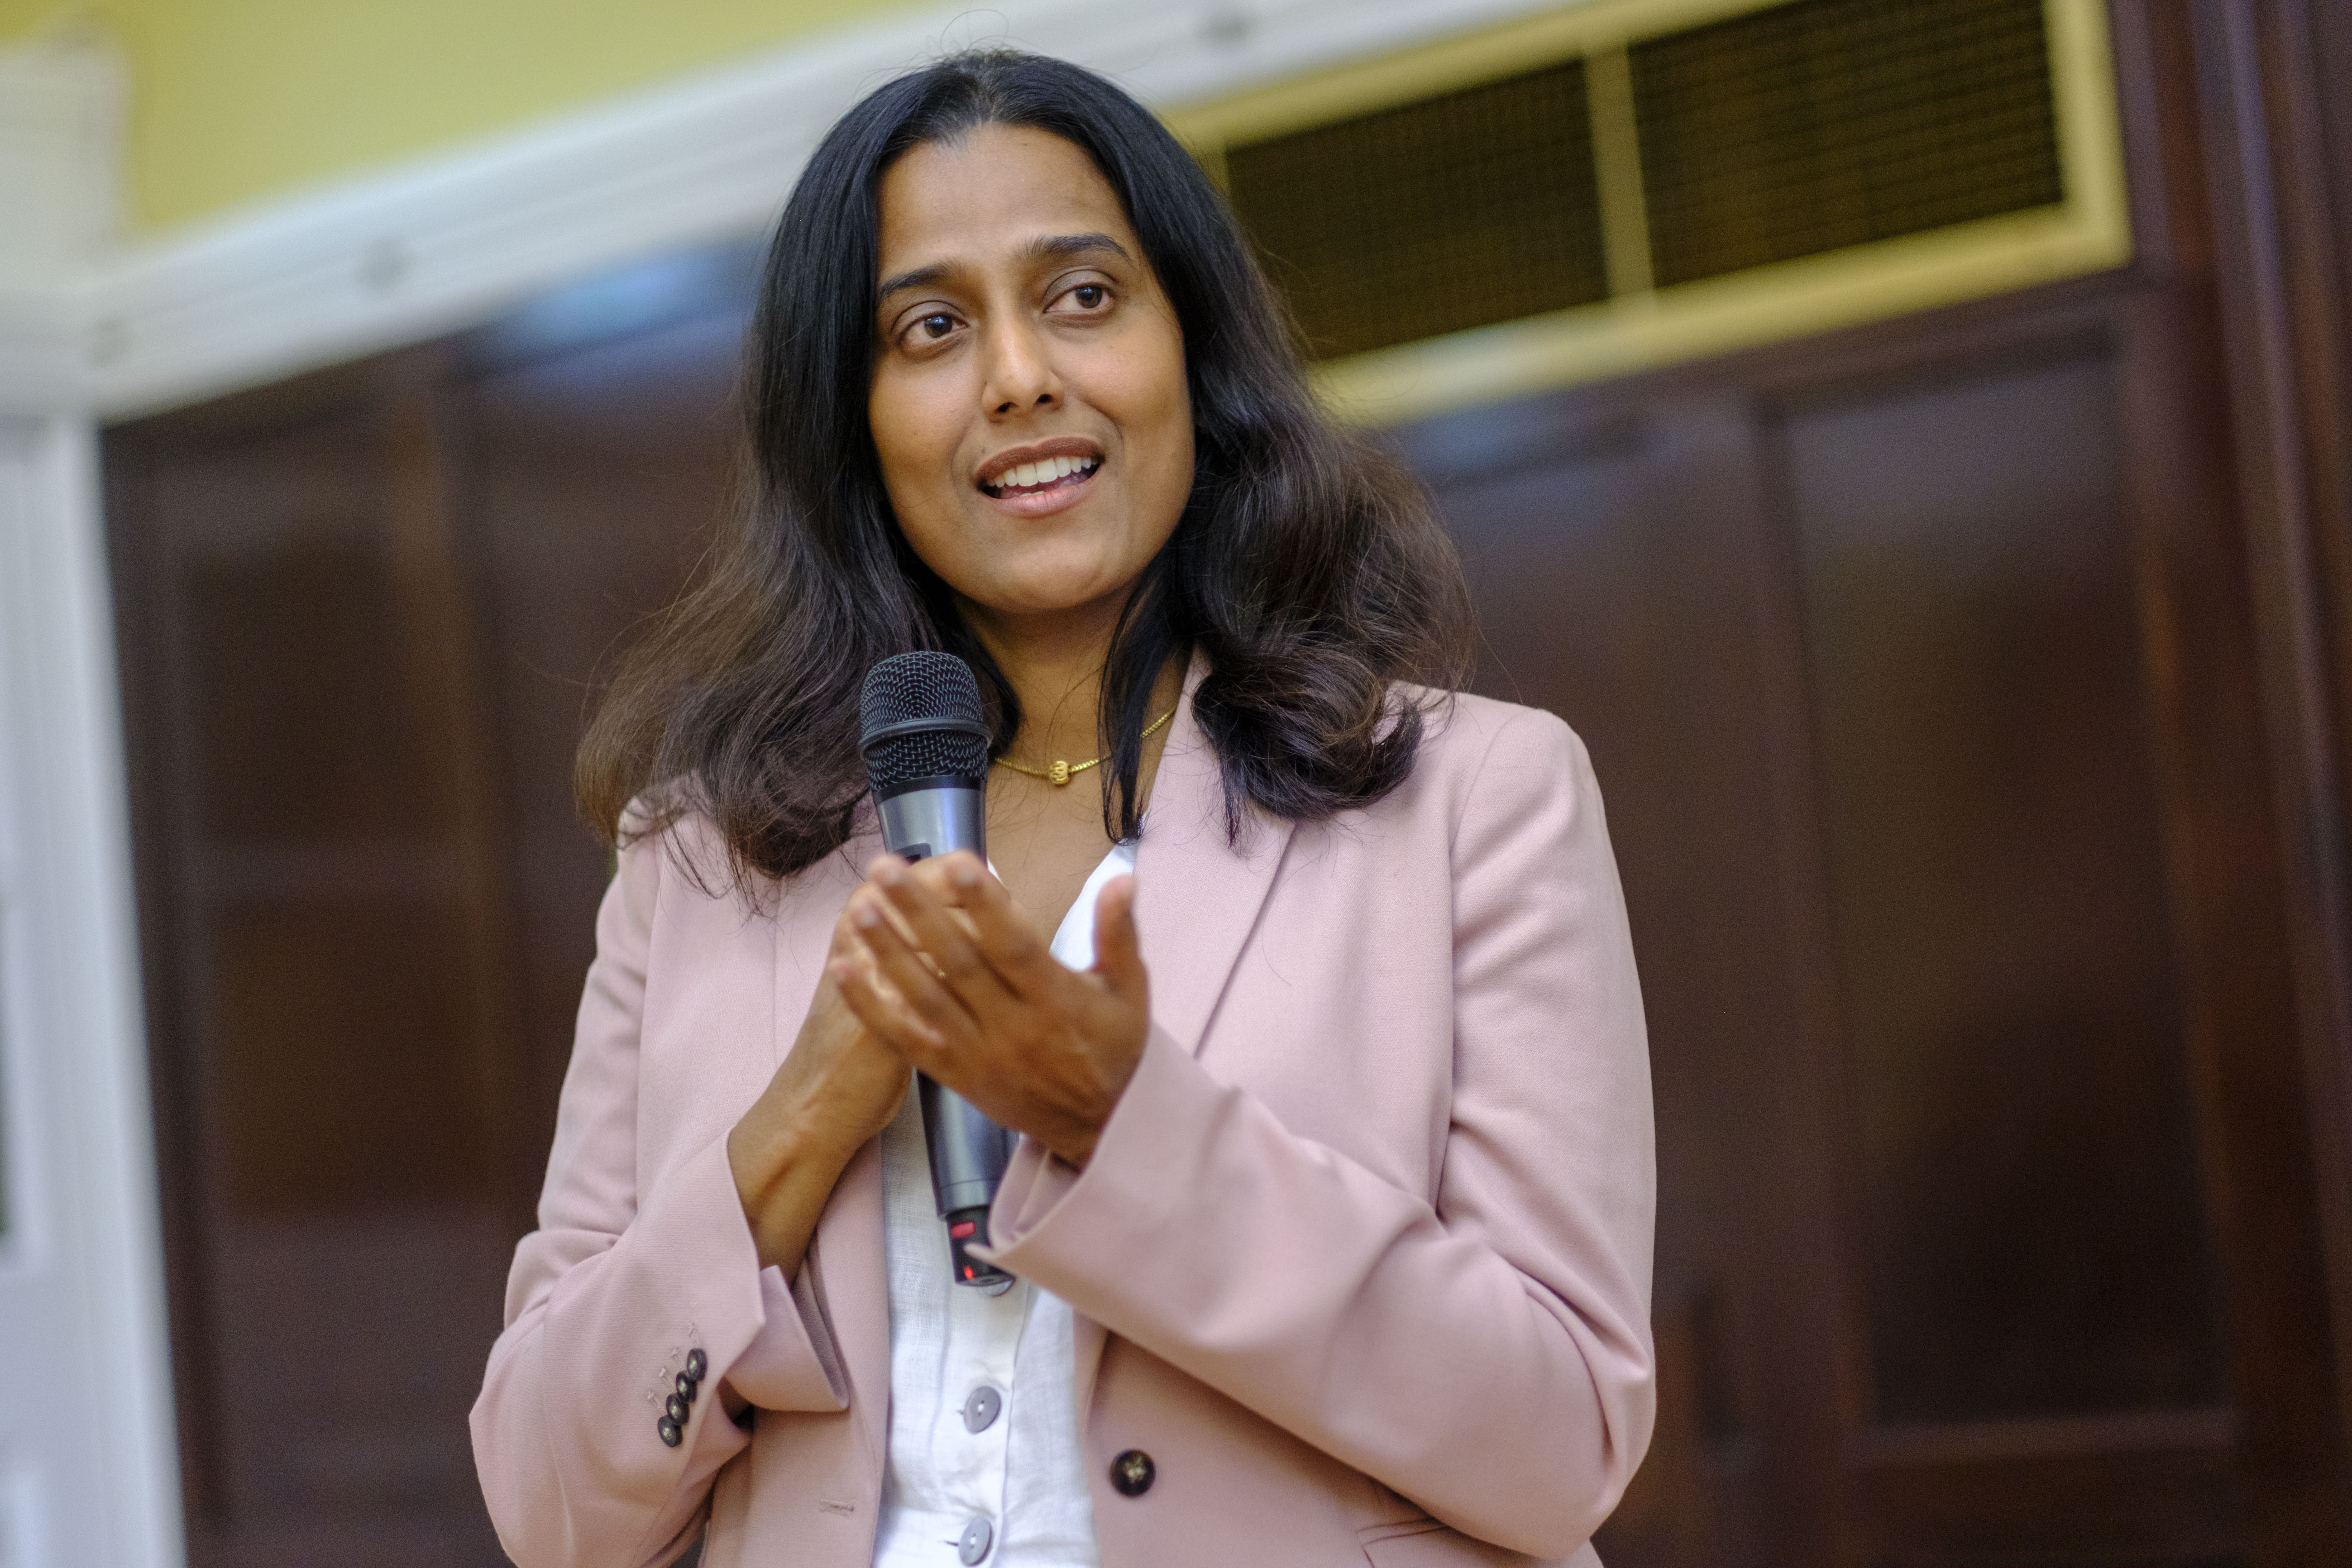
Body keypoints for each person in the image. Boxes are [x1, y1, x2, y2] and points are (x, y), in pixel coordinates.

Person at [471, 48, 1654, 1568]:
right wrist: (794, 1126)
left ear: (1191, 348)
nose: (1018, 374)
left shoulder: (1476, 801)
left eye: (1082, 294)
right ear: (852, 413)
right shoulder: (693, 863)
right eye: (930, 325)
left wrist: (1124, 1127)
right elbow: (547, 1506)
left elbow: (1559, 1448)